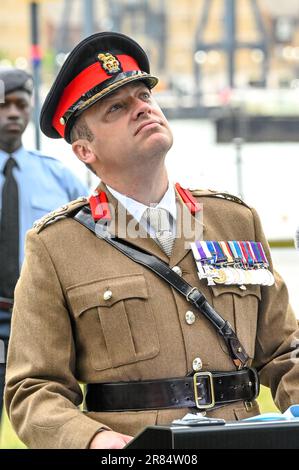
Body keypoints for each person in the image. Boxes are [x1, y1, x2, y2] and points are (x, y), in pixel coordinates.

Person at [4, 32, 299, 449]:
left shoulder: (234, 220)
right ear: (85, 150)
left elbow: (286, 353)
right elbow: (33, 389)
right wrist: (96, 442)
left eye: (144, 95)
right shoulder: (56, 245)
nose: (142, 108)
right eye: (117, 108)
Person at [0, 68, 88, 421]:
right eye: (3, 104)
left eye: (21, 104)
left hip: (39, 318)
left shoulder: (60, 178)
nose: (13, 113)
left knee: (44, 413)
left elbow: (90, 244)